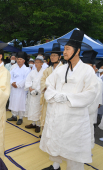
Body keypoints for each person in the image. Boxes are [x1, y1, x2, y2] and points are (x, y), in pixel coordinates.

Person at [40, 30, 98, 170]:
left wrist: (67, 97)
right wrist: (54, 95)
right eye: (64, 49)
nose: (64, 52)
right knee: (55, 142)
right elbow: (48, 84)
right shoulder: (60, 69)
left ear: (77, 51)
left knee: (73, 150)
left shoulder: (87, 70)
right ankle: (55, 166)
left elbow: (91, 93)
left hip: (74, 119)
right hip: (57, 115)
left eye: (67, 49)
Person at [80, 50, 102, 149]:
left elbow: (95, 101)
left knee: (87, 134)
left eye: (88, 67)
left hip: (88, 113)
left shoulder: (98, 82)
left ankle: (87, 152)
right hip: (77, 113)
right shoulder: (79, 79)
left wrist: (81, 109)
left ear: (93, 67)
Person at [40, 43, 63, 130]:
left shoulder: (64, 68)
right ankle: (45, 133)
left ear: (60, 57)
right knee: (46, 114)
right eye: (51, 55)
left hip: (57, 96)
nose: (52, 57)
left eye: (54, 55)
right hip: (48, 95)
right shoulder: (48, 69)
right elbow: (42, 80)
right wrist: (45, 88)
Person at [7, 52, 31, 125]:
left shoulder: (27, 69)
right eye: (18, 59)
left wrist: (18, 85)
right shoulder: (14, 69)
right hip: (14, 89)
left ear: (24, 61)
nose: (19, 60)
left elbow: (26, 79)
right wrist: (12, 83)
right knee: (13, 101)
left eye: (21, 59)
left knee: (21, 103)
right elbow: (9, 77)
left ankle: (20, 118)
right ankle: (14, 115)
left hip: (21, 89)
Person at [24, 55, 45, 133]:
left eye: (38, 62)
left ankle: (38, 125)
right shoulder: (32, 72)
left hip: (38, 94)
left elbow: (44, 82)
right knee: (31, 108)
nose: (36, 64)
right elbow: (28, 81)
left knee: (38, 109)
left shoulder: (44, 72)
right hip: (31, 93)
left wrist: (37, 90)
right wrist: (30, 88)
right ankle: (33, 123)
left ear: (42, 63)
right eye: (35, 62)